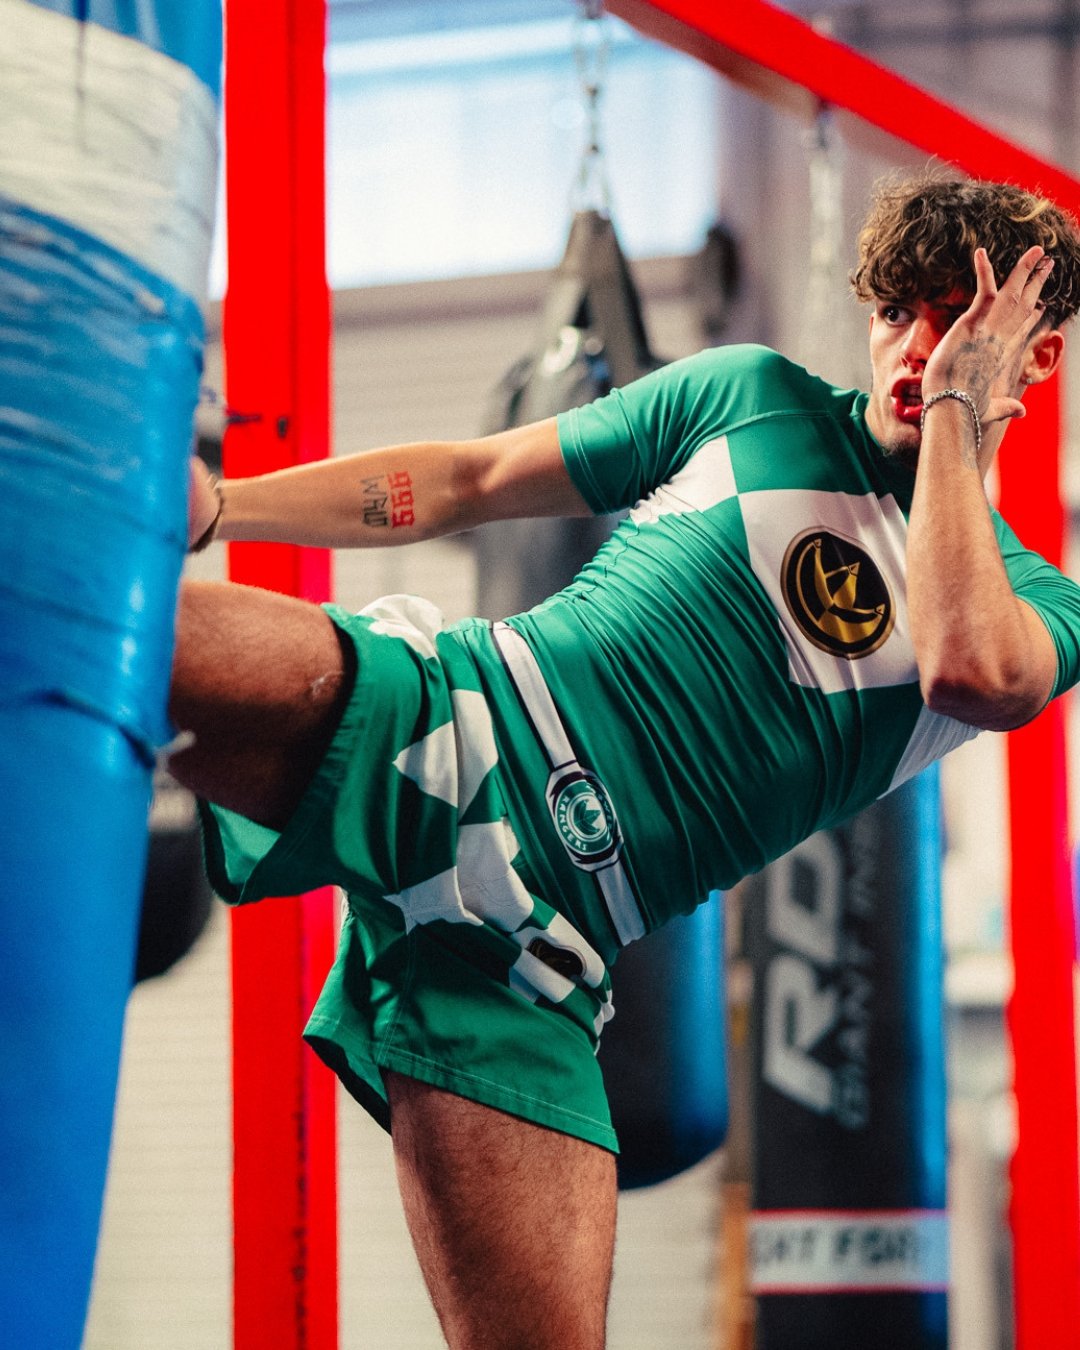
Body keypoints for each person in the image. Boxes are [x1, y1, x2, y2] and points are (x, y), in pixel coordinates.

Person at [174, 174, 1080, 1349]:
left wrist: (958, 410)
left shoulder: (1041, 606)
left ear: (1035, 356)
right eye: (899, 312)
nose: (919, 349)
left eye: (957, 321)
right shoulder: (749, 395)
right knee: (104, 633)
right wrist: (226, 509)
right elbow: (471, 480)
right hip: (449, 725)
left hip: (533, 956)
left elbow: (964, 667)